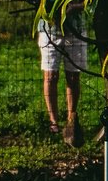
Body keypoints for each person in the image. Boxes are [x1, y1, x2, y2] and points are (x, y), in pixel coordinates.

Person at [36, 10, 88, 145]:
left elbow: (87, 1)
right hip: (49, 30)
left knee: (73, 76)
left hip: (76, 29)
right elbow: (38, 2)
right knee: (50, 76)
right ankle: (53, 121)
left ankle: (71, 120)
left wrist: (72, 7)